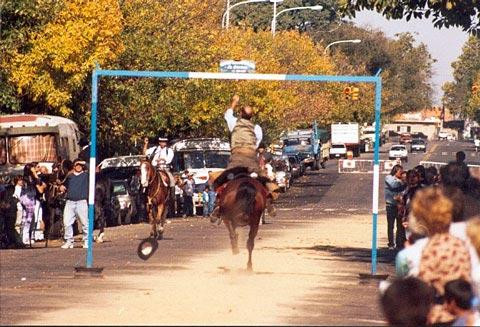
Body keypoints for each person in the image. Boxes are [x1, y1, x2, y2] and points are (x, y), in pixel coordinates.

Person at [210, 94, 276, 222]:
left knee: (220, 180)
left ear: (240, 114)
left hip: (236, 159)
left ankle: (218, 206)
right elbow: (256, 144)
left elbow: (227, 114)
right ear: (252, 116)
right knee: (263, 179)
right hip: (251, 159)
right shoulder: (257, 128)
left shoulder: (234, 123)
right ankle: (269, 202)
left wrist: (234, 101)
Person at [59, 159, 89, 249]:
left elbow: (91, 167)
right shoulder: (70, 176)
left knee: (85, 223)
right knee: (67, 222)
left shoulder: (85, 175)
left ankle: (87, 240)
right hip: (70, 202)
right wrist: (62, 187)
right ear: (74, 166)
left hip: (81, 201)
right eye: (77, 165)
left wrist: (84, 162)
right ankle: (69, 241)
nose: (78, 166)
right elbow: (64, 185)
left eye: (80, 165)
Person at [143, 136, 176, 216]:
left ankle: (171, 196)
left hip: (164, 168)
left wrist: (162, 159)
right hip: (155, 169)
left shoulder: (169, 150)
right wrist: (145, 144)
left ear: (166, 143)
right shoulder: (155, 149)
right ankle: (145, 196)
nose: (162, 143)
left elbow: (169, 159)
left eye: (164, 142)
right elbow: (145, 153)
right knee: (145, 180)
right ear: (159, 142)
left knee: (171, 180)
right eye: (161, 142)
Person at [384, 164, 406, 250]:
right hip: (391, 205)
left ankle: (398, 243)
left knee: (399, 225)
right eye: (400, 172)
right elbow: (394, 186)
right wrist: (403, 182)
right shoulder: (389, 178)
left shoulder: (401, 180)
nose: (401, 174)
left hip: (399, 206)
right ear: (396, 171)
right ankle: (391, 243)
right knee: (391, 225)